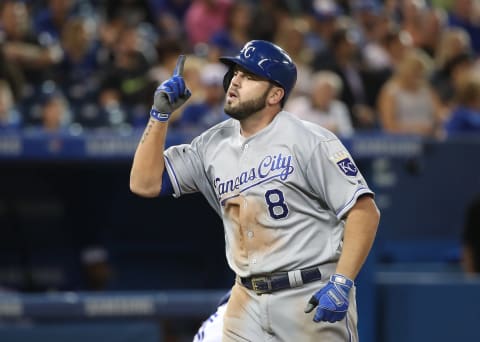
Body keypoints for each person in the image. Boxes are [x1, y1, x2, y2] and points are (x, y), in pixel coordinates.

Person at [130, 40, 380, 341]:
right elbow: (144, 183)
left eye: (249, 75)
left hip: (308, 294)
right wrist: (159, 117)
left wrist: (343, 281)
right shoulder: (212, 144)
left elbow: (364, 212)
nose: (235, 80)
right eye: (235, 72)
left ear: (275, 94)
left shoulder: (309, 140)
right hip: (247, 296)